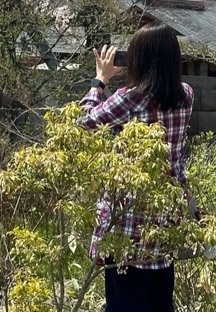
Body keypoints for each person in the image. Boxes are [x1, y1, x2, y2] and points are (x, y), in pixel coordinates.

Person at [78, 22, 194, 312]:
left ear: (138, 59)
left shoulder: (129, 98)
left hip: (127, 228)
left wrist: (99, 80)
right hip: (166, 223)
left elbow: (83, 122)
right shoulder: (186, 95)